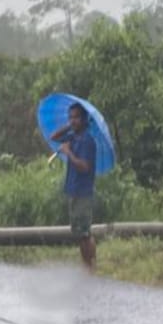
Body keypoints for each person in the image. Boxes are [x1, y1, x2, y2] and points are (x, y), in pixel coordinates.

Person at [48, 101, 98, 271]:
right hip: (73, 189)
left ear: (84, 119)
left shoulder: (86, 141)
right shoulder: (72, 136)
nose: (73, 121)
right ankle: (86, 265)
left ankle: (90, 266)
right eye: (70, 117)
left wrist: (68, 152)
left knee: (85, 233)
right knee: (78, 232)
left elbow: (84, 167)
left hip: (83, 192)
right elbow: (53, 137)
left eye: (76, 117)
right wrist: (68, 126)